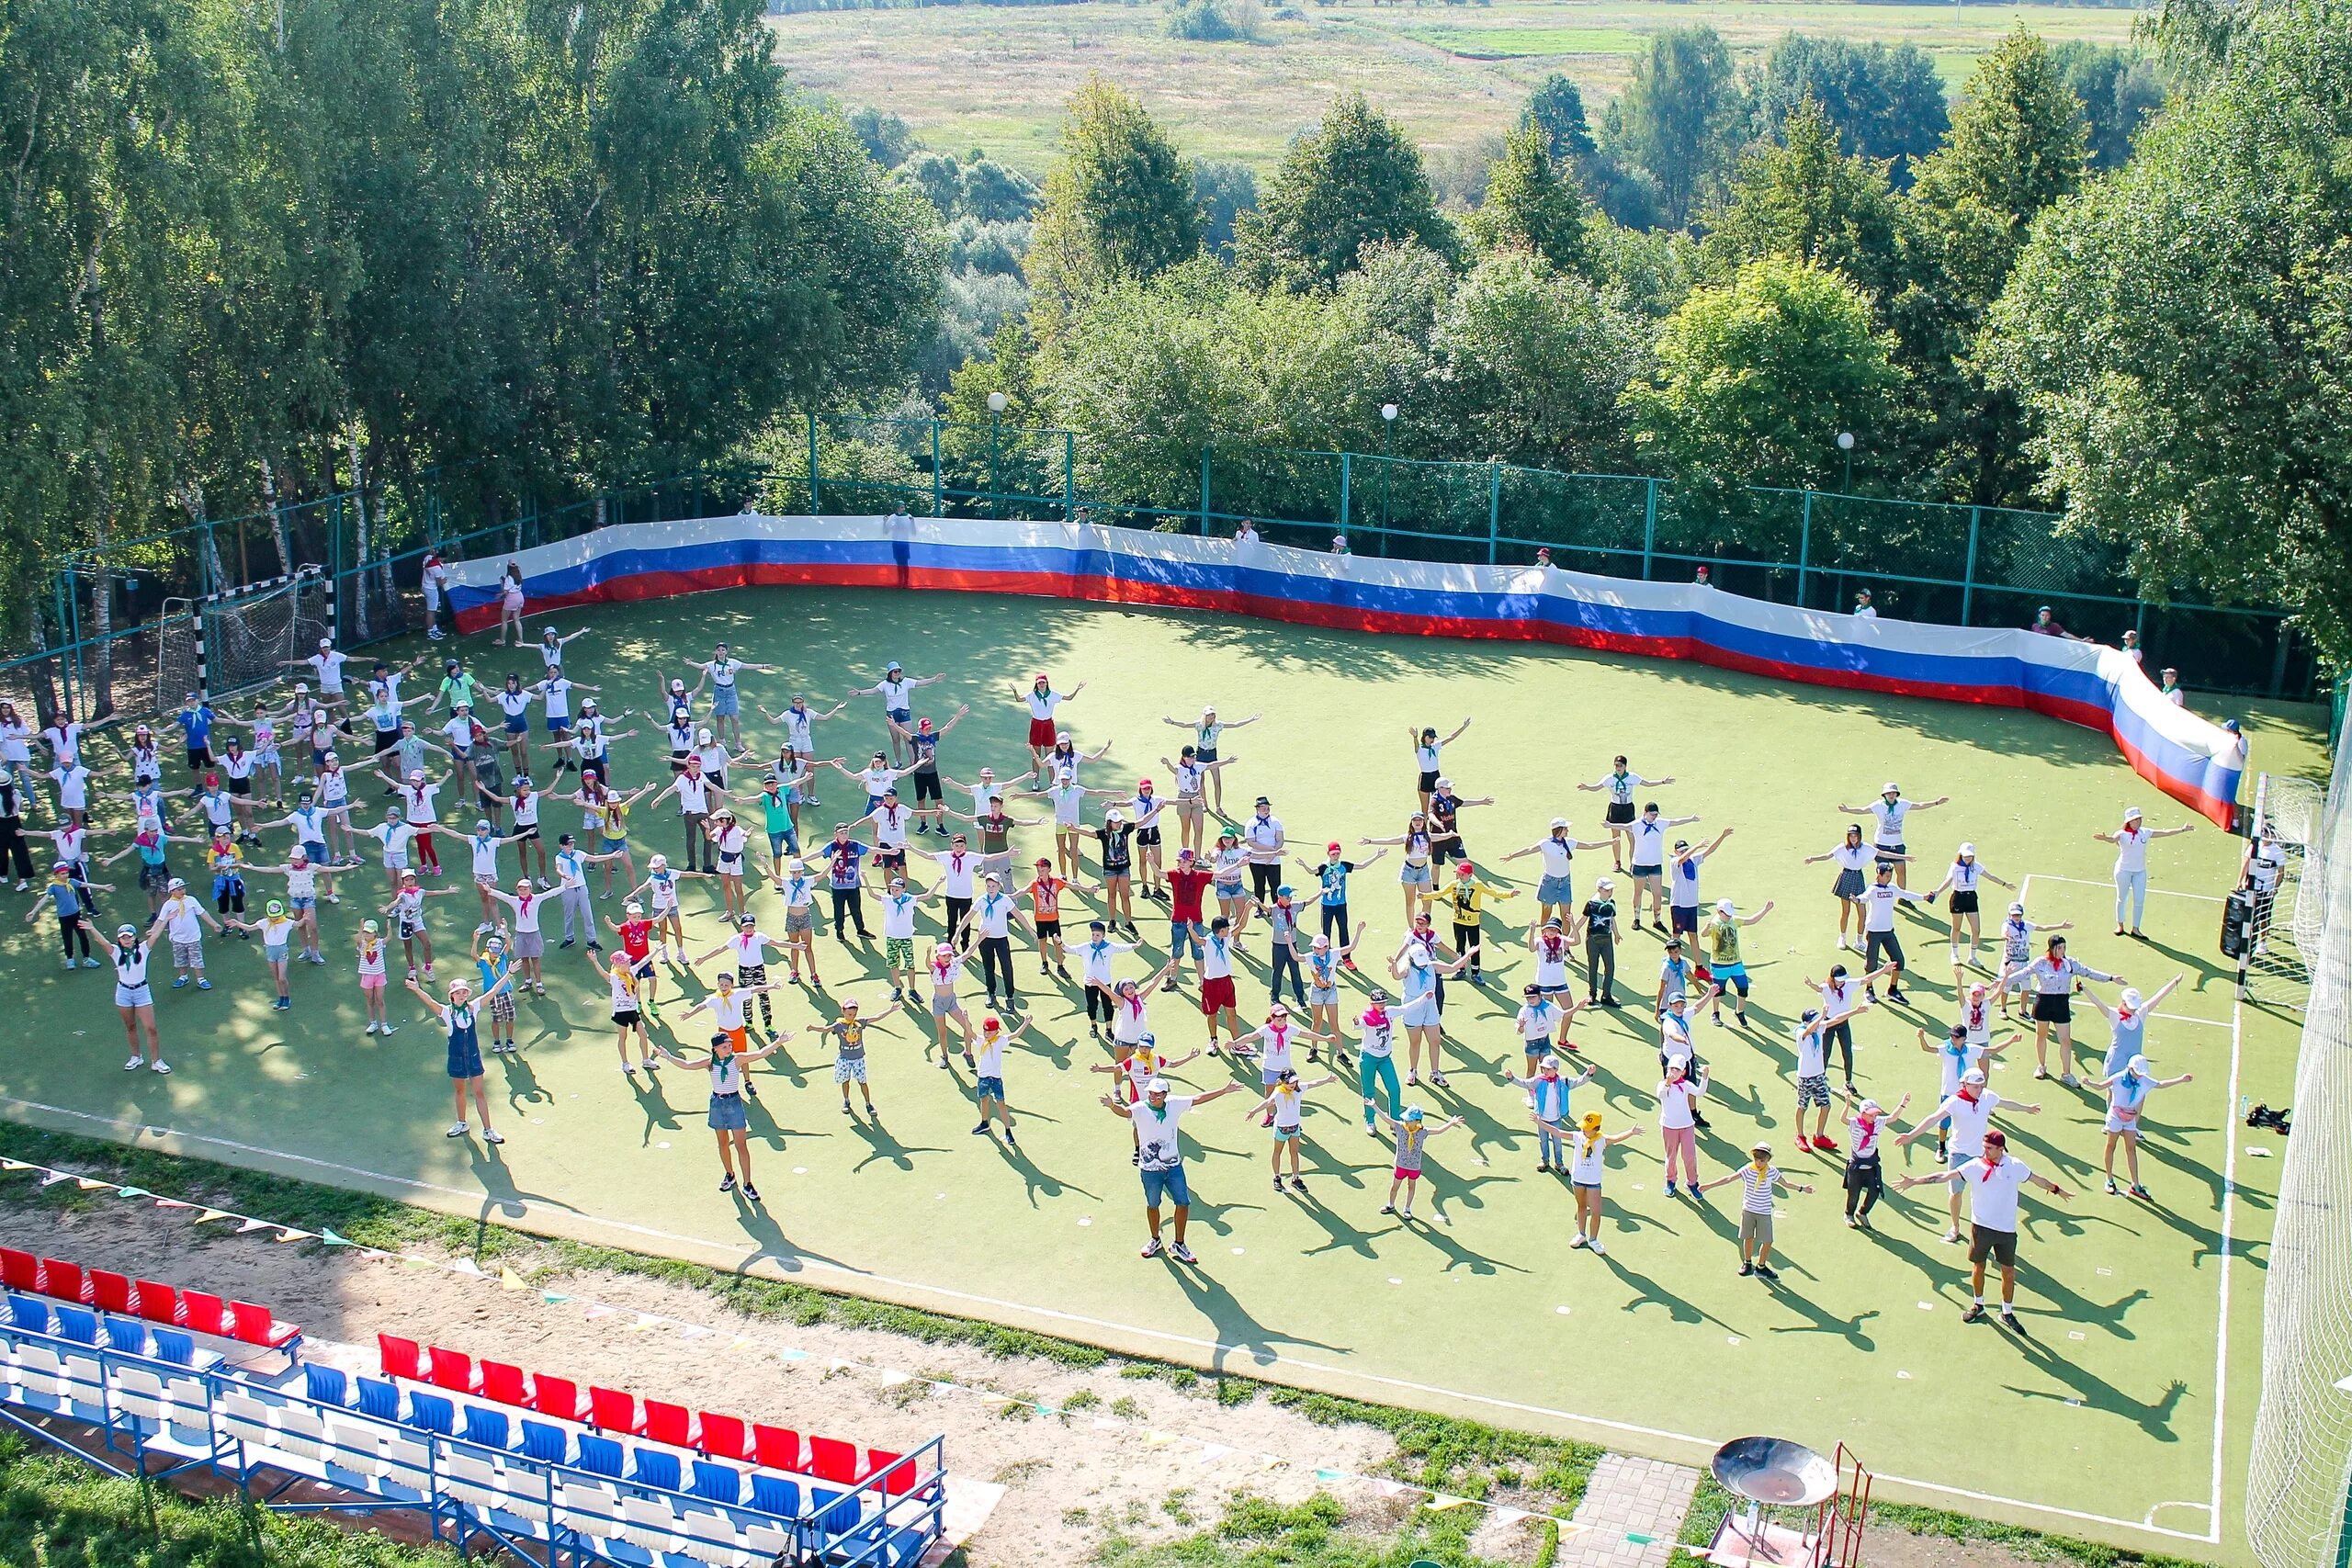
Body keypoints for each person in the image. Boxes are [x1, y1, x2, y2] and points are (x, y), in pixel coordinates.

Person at [1894, 1129, 2071, 1325]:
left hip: (2006, 1230)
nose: (1985, 1151)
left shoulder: (2015, 1166)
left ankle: (2007, 1312)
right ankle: (1978, 1305)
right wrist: (1914, 1182)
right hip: (1981, 1227)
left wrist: (2056, 1190)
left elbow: (2038, 1180)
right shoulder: (1975, 1166)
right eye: (1984, 1147)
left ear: (2001, 1148)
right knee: (1979, 1266)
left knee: (2008, 1272)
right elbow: (1944, 1176)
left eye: (1989, 1148)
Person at [1894, 1067, 2044, 1245]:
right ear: (1964, 1085)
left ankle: (1986, 1227)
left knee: (1986, 1192)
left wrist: (2026, 1108)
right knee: (1956, 1193)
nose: (1979, 1091)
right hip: (1959, 1155)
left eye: (1981, 1086)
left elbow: (2005, 1103)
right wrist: (1910, 1135)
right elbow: (1933, 1119)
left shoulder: (1987, 1097)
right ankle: (1955, 1227)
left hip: (1982, 1156)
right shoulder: (1954, 1102)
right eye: (1975, 1087)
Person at [1102, 1075, 1243, 1263]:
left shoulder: (1174, 1104)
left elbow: (1199, 1098)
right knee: (1153, 1205)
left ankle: (1179, 1244)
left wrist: (1223, 1091)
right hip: (1150, 1170)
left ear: (1165, 1094)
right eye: (1151, 1093)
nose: (1153, 1097)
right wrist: (1112, 1105)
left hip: (1174, 1166)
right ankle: (1155, 1240)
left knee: (1183, 1203)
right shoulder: (1140, 1108)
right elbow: (1125, 1112)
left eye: (1157, 1094)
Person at [407, 970, 511, 1143]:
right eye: (458, 992)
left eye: (464, 992)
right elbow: (431, 1002)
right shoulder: (447, 1012)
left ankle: (488, 1130)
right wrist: (417, 989)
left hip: (473, 1057)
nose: (462, 995)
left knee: (479, 1093)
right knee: (460, 1091)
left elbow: (492, 992)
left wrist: (508, 974)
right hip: (456, 1058)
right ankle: (462, 1123)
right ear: (452, 995)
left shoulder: (474, 1007)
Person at [1698, 1143, 1813, 1280]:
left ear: (1768, 1160)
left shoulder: (1772, 1172)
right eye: (1756, 1159)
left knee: (1768, 1241)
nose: (1758, 1162)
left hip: (1764, 1212)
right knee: (1748, 1238)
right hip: (1748, 1210)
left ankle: (1761, 1266)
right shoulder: (1748, 1169)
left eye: (1762, 1160)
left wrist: (1802, 1188)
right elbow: (1729, 1178)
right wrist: (1709, 1186)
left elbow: (1785, 1183)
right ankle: (1747, 1263)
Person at [2023, 934, 2122, 1085]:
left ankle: (2066, 1074)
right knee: (2041, 1035)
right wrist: (2004, 981)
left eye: (2064, 948)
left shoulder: (2070, 964)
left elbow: (2089, 972)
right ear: (2051, 948)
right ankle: (2041, 1066)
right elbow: (2024, 973)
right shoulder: (2041, 963)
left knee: (2065, 1040)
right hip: (2043, 1001)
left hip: (2061, 1004)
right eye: (2059, 948)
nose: (2062, 951)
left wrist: (2110, 978)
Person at [2095, 1055, 2194, 1199]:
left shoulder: (2143, 1080)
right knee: (2111, 1146)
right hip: (2115, 1117)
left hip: (2129, 1118)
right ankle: (2109, 1180)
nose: (2139, 1076)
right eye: (2137, 1072)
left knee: (2131, 1148)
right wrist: (2089, 1083)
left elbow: (2160, 1084)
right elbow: (2101, 1086)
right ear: (2130, 1069)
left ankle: (2135, 1185)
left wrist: (2181, 1079)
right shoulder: (2118, 1077)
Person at [2094, 806, 2195, 938]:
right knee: (2122, 898)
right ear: (2129, 821)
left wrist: (2182, 829)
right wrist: (2105, 838)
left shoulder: (2145, 832)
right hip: (2123, 870)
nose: (2138, 822)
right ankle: (2120, 925)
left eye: (2139, 819)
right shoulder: (2122, 834)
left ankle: (2136, 928)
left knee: (2139, 900)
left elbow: (2163, 833)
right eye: (2135, 820)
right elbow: (2113, 839)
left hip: (2140, 872)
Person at [1391, 934, 1476, 1089]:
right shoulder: (1407, 968)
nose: (1423, 965)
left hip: (1430, 1006)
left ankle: (1435, 1073)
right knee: (1415, 1041)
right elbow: (1397, 976)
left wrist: (1468, 955)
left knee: (1435, 1040)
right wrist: (1394, 964)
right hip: (1413, 1007)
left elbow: (1452, 968)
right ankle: (1413, 1071)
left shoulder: (1432, 965)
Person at [1503, 818, 1611, 930]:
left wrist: (1610, 842)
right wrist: (1512, 856)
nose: (1568, 831)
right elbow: (1529, 850)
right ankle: (1545, 942)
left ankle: (1565, 944)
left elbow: (1589, 846)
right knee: (1546, 915)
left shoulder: (1569, 842)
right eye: (1565, 829)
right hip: (1549, 883)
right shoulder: (1545, 844)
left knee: (1566, 916)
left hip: (1565, 883)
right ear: (1559, 830)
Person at [1243, 1068, 1338, 1194]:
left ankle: (1296, 1178)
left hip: (1295, 1128)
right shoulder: (1278, 1092)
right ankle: (1277, 1177)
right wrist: (1254, 1111)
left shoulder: (1299, 1089)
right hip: (1281, 1128)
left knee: (1294, 1152)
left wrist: (1326, 1080)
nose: (1292, 1084)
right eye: (1289, 1082)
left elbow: (1313, 1083)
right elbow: (1268, 1102)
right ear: (1283, 1082)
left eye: (1294, 1081)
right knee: (1277, 1152)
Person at [1836, 783, 1948, 889]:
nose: (1891, 795)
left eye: (1893, 793)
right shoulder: (1878, 805)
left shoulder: (1902, 804)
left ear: (1896, 794)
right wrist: (1847, 810)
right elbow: (1863, 810)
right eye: (1889, 793)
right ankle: (1880, 892)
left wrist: (1936, 802)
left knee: (1901, 871)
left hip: (1897, 844)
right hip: (1881, 844)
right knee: (1882, 873)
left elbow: (1919, 805)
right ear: (1884, 795)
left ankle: (1903, 897)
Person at [1577, 756, 1675, 874]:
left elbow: (1647, 783)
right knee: (1616, 837)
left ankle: (1632, 863)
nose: (1618, 768)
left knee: (1631, 837)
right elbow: (1597, 787)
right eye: (1616, 765)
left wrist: (1663, 782)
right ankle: (1617, 862)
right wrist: (1587, 787)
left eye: (1620, 765)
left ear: (1625, 766)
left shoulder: (1632, 777)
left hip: (1628, 808)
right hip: (1615, 808)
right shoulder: (1609, 778)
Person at [1563, 1111, 1642, 1252]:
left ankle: (1593, 1240)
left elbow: (1617, 1138)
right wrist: (1541, 1123)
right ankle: (1581, 1234)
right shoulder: (1577, 1136)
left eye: (1587, 1128)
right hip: (1578, 1180)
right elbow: (1558, 1132)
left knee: (1596, 1212)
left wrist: (1631, 1132)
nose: (1583, 1130)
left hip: (1593, 1182)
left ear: (1596, 1129)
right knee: (1581, 1207)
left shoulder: (1602, 1140)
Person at [1927, 843, 2013, 971]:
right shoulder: (1955, 867)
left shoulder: (1976, 867)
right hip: (1958, 897)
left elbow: (1990, 876)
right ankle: (1954, 954)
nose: (1968, 859)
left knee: (1976, 929)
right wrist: (1937, 892)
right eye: (1965, 856)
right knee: (1956, 928)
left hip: (1971, 898)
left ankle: (1972, 957)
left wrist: (2004, 884)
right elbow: (1948, 881)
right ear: (1960, 854)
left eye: (1970, 856)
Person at [813, 995, 902, 1118]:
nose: (852, 1016)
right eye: (849, 1014)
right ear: (843, 1011)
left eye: (854, 1014)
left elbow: (876, 1017)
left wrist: (890, 1010)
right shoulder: (839, 1025)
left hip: (859, 1059)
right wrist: (813, 1028)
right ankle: (846, 1100)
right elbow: (825, 1029)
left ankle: (868, 1103)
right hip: (845, 1059)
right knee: (845, 1081)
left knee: (863, 1082)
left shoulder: (859, 1023)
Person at [1160, 706, 1258, 818]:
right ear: (1204, 715)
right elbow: (1185, 725)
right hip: (1200, 754)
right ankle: (1204, 804)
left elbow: (1235, 724)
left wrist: (1251, 719)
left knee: (1217, 782)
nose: (1211, 717)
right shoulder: (1199, 725)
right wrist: (1172, 722)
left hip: (1212, 754)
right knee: (1200, 782)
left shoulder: (1218, 725)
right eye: (1209, 715)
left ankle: (1218, 807)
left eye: (1212, 715)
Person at [1374, 1105, 1466, 1221]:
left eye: (1409, 1120)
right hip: (1400, 1165)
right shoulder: (1399, 1127)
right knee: (1394, 1187)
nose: (1406, 1121)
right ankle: (1391, 1205)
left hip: (1414, 1167)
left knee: (1411, 1186)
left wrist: (1451, 1123)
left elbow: (1439, 1130)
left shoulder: (1423, 1132)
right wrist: (1375, 1106)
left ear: (1417, 1121)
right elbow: (1386, 1119)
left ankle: (1407, 1208)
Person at [1505, 1052, 1592, 1174]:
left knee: (1558, 1142)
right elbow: (1524, 1083)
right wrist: (1511, 1078)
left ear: (1556, 1069)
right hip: (1541, 1119)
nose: (1544, 1071)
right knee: (1543, 1141)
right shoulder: (1538, 1080)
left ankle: (1559, 1164)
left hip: (1556, 1119)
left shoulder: (1563, 1081)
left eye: (1548, 1068)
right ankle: (1545, 1161)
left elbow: (1578, 1081)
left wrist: (1589, 1074)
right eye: (1543, 1068)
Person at [1790, 1005, 1861, 1153]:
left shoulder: (1819, 1027)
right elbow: (1810, 1030)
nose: (1818, 1022)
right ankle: (1800, 1136)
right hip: (1805, 1077)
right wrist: (1822, 1017)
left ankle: (1819, 1136)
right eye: (1814, 1020)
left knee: (1826, 1106)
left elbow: (1836, 1019)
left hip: (1819, 1075)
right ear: (1806, 1022)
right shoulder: (1801, 1032)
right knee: (1802, 1106)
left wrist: (1855, 1011)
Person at [1858, 863, 1930, 1003]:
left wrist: (1924, 897)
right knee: (1871, 963)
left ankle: (1892, 990)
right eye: (1886, 876)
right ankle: (1869, 989)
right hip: (1874, 932)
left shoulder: (1892, 888)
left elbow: (1906, 894)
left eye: (1890, 876)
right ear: (1879, 874)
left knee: (1899, 960)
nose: (1889, 878)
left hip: (1888, 931)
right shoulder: (1872, 889)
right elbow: (1864, 897)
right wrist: (1857, 899)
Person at [1622, 802, 1700, 931]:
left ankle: (1657, 920)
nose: (1654, 817)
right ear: (1645, 812)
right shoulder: (1636, 825)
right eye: (1652, 814)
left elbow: (1675, 821)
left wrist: (1690, 819)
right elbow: (1624, 826)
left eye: (1656, 814)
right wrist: (1610, 825)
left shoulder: (1661, 823)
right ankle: (1637, 918)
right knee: (1638, 892)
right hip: (1640, 864)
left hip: (1655, 864)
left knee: (1657, 894)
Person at [1360, 812, 1448, 925]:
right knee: (1410, 901)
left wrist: (1452, 834)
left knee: (1427, 900)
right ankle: (1411, 928)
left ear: (1423, 822)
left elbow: (1443, 837)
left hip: (1423, 870)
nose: (1417, 822)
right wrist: (1370, 841)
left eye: (1420, 820)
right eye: (1415, 820)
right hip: (1409, 871)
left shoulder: (1428, 836)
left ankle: (1424, 926)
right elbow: (1389, 840)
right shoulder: (1407, 837)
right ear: (1411, 823)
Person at [1697, 897, 1774, 1026]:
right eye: (1726, 914)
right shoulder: (1715, 923)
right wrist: (1706, 928)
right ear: (1719, 911)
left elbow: (1751, 920)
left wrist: (1765, 910)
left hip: (1736, 963)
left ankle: (1739, 1012)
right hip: (1719, 965)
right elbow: (1703, 934)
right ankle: (1715, 1014)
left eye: (1730, 913)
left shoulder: (1734, 920)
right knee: (1718, 991)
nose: (1729, 916)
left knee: (1743, 987)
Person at [107, 920, 171, 1072]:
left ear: (134, 937)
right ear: (119, 939)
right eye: (123, 937)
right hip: (123, 992)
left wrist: (167, 918)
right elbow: (102, 942)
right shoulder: (115, 951)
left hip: (142, 991)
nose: (126, 940)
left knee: (151, 1028)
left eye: (129, 936)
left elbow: (155, 935)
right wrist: (91, 929)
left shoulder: (143, 949)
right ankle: (136, 1056)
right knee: (130, 1026)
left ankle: (157, 1061)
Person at [1839, 1093, 1909, 1230]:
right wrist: (1847, 1105)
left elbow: (1893, 1118)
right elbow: (1843, 1119)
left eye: (1875, 1114)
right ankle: (1849, 1214)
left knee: (1875, 1192)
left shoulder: (1877, 1123)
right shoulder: (1854, 1123)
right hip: (1856, 1167)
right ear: (1862, 1113)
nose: (1874, 1117)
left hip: (1871, 1166)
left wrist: (1903, 1103)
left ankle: (1862, 1213)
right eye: (1871, 1115)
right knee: (1854, 1194)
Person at [1437, 862, 1514, 984]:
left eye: (1462, 874)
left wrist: (1510, 894)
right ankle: (1461, 969)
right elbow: (1439, 893)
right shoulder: (1454, 885)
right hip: (1458, 921)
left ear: (1470, 875)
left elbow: (1494, 893)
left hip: (1473, 923)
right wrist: (1424, 896)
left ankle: (1475, 973)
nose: (1460, 876)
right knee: (1460, 946)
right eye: (1458, 874)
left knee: (1475, 948)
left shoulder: (1477, 886)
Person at [588, 944, 659, 1077]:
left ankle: (646, 1060)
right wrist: (595, 961)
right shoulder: (614, 978)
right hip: (621, 1012)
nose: (629, 962)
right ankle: (625, 1063)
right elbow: (603, 974)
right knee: (623, 1037)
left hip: (632, 1011)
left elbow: (644, 961)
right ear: (619, 965)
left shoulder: (631, 972)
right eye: (626, 961)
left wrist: (655, 951)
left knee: (643, 1035)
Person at [25, 862, 107, 970]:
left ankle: (87, 959)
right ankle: (70, 959)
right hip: (64, 917)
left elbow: (86, 885)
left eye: (67, 873)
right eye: (62, 874)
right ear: (56, 875)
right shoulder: (54, 887)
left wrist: (103, 887)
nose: (65, 875)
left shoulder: (72, 882)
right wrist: (33, 911)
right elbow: (44, 899)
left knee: (83, 937)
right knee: (67, 938)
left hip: (76, 915)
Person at [222, 898, 300, 1010]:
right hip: (270, 950)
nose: (275, 918)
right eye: (273, 915)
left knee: (282, 977)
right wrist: (237, 923)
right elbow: (250, 927)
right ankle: (281, 998)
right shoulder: (264, 923)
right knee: (276, 977)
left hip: (282, 950)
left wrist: (306, 918)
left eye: (277, 915)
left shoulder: (286, 922)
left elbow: (299, 923)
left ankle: (287, 998)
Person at [1015, 673, 1087, 782]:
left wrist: (1077, 689)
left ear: (1047, 683)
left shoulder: (1053, 694)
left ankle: (1053, 782)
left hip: (1048, 725)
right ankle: (1036, 780)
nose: (1041, 684)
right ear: (1036, 684)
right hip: (1036, 725)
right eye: (1039, 683)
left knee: (1051, 755)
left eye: (1043, 682)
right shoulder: (1032, 695)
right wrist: (1015, 691)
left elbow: (1068, 698)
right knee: (1036, 755)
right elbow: (1019, 699)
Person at [1656, 1054, 1707, 1196]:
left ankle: (1692, 1183)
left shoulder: (1686, 1085)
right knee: (1671, 1156)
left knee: (1689, 1156)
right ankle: (1670, 1181)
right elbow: (1660, 1094)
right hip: (1669, 1126)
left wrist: (1704, 1077)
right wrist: (1667, 1083)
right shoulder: (1662, 1084)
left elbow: (1700, 1092)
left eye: (1677, 1070)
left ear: (1683, 1072)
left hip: (1687, 1126)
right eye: (1671, 1069)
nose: (1673, 1072)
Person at [1571, 875, 1619, 1007]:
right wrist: (1572, 932)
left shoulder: (1611, 904)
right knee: (1593, 966)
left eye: (1611, 890)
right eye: (1607, 890)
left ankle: (1606, 995)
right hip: (1592, 940)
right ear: (1599, 889)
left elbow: (1612, 919)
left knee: (1610, 967)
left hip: (1607, 940)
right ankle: (1592, 993)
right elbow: (1583, 920)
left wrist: (1616, 934)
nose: (1610, 892)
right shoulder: (1591, 904)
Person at [1406, 719, 1472, 813]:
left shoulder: (1435, 746)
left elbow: (1451, 737)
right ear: (1425, 737)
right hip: (1425, 777)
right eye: (1431, 737)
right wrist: (1415, 737)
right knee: (1425, 810)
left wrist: (1463, 727)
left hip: (1436, 776)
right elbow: (1416, 746)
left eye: (1433, 737)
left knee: (1438, 807)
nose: (1433, 739)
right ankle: (1424, 827)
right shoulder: (1419, 748)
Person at [354, 920, 394, 1035]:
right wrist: (360, 929)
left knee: (380, 1000)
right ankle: (373, 1023)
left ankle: (384, 1024)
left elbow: (388, 938)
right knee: (370, 1000)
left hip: (379, 975)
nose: (366, 935)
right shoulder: (362, 944)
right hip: (367, 976)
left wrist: (389, 928)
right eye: (365, 932)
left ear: (375, 934)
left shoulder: (380, 943)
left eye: (369, 933)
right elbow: (357, 940)